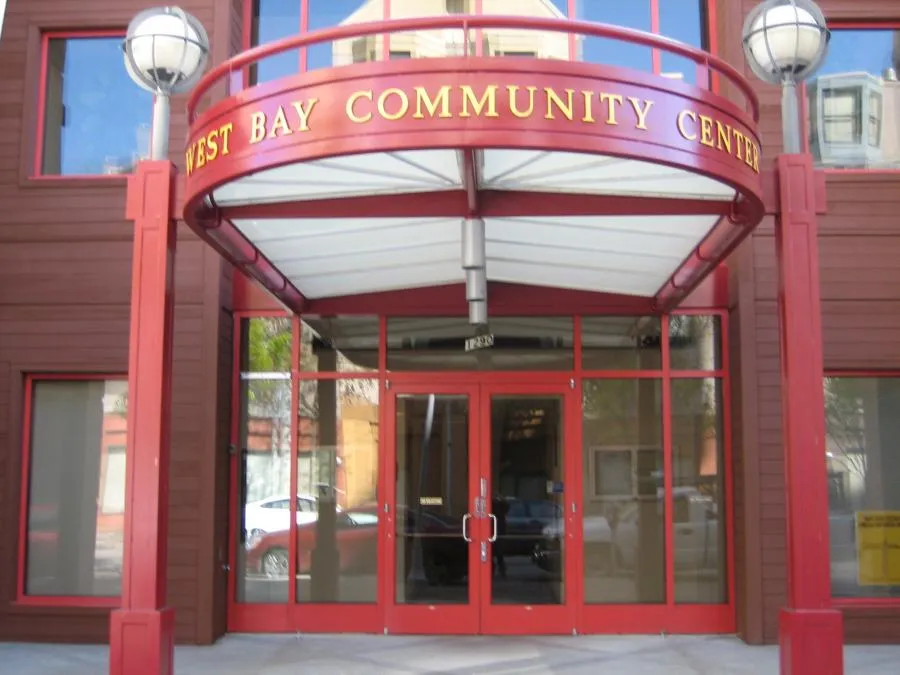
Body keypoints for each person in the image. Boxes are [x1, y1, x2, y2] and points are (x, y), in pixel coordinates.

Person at [491, 494, 509, 578]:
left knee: (497, 553)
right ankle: (500, 569)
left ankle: (499, 569)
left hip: (497, 531)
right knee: (498, 553)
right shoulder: (500, 515)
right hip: (497, 531)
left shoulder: (498, 515)